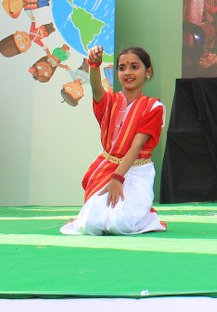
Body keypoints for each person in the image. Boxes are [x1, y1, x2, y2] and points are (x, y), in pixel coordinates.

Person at [60, 45, 166, 235]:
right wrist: (94, 64)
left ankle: (147, 217)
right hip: (107, 169)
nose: (128, 72)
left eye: (135, 67)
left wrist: (117, 179)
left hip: (137, 171)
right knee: (90, 225)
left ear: (148, 72)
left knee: (120, 224)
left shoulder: (153, 107)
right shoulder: (109, 102)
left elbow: (136, 146)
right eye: (122, 68)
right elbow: (96, 88)